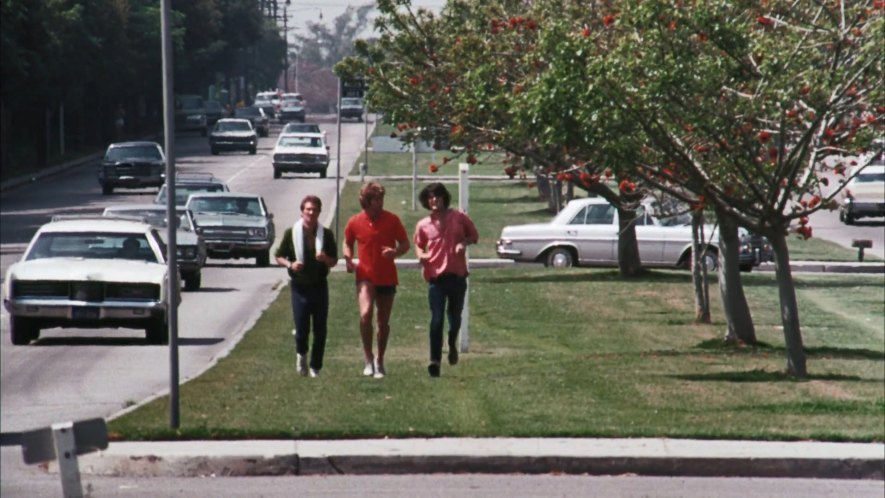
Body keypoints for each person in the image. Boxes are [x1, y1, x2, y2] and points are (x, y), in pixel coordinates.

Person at [343, 182, 410, 379]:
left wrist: (395, 252)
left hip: (387, 276)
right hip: (365, 276)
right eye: (376, 200)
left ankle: (380, 360)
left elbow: (405, 243)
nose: (380, 203)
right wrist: (348, 258)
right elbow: (347, 242)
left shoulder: (392, 220)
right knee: (365, 314)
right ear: (367, 202)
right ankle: (368, 358)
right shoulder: (355, 221)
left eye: (381, 199)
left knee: (383, 322)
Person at [413, 183, 479, 377]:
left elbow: (474, 236)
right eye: (431, 197)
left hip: (457, 276)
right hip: (436, 278)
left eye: (438, 197)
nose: (434, 200)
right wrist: (421, 255)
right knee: (436, 319)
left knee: (454, 318)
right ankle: (434, 360)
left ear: (444, 198)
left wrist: (462, 243)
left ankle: (451, 343)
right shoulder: (423, 225)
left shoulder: (459, 217)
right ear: (427, 201)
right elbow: (418, 245)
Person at [275, 195, 338, 378]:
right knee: (302, 328)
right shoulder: (291, 233)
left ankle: (315, 366)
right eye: (308, 209)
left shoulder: (325, 234)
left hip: (319, 286)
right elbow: (279, 255)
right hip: (299, 287)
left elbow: (334, 261)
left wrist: (324, 258)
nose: (311, 212)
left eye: (314, 209)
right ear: (302, 211)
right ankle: (301, 355)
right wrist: (290, 265)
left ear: (319, 212)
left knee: (320, 329)